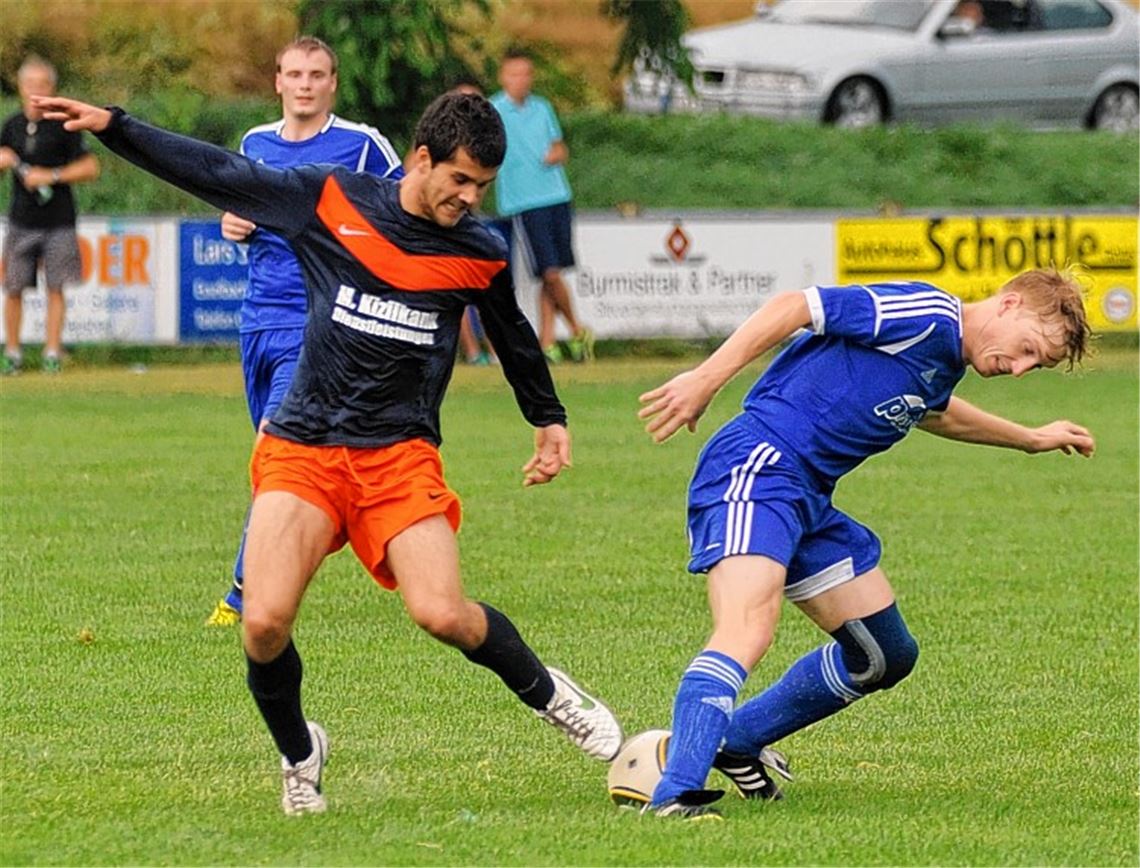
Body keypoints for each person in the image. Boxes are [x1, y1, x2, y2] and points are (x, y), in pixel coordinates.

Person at [38, 90, 623, 815]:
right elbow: (218, 172)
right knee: (262, 623)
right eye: (460, 180)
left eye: (482, 186)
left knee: (443, 613)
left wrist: (548, 417)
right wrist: (117, 127)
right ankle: (299, 753)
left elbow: (512, 333)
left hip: (398, 456)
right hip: (305, 445)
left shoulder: (479, 250)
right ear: (421, 159)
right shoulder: (332, 199)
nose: (471, 198)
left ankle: (553, 695)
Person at [637, 268, 1094, 819]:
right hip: (758, 468)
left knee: (883, 653)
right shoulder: (927, 314)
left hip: (808, 496)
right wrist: (707, 379)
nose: (1019, 369)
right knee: (747, 628)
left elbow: (936, 412)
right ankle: (676, 792)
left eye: (1035, 366)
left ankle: (736, 740)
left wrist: (1031, 439)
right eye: (1027, 349)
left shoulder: (945, 358)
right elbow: (795, 306)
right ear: (1009, 303)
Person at [205, 36, 404, 628]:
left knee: (274, 451)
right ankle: (336, 515)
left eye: (317, 75)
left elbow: (406, 209)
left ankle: (243, 594)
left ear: (333, 83)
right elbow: (238, 210)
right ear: (278, 82)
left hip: (319, 324)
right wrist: (231, 223)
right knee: (280, 460)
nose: (305, 85)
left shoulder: (362, 145)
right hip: (258, 320)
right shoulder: (255, 144)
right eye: (295, 74)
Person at [490, 47, 592, 364]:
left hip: (556, 195)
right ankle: (577, 330)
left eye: (526, 74)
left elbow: (559, 146)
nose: (521, 80)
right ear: (503, 77)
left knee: (554, 270)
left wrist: (558, 153)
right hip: (523, 201)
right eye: (515, 74)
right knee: (548, 272)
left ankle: (547, 341)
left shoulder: (542, 107)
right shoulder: (494, 111)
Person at [0, 56, 99, 374]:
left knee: (56, 288)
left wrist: (51, 175)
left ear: (52, 88)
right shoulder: (11, 126)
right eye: (30, 84)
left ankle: (52, 352)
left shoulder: (64, 125)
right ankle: (12, 353)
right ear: (20, 87)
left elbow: (90, 167)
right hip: (21, 221)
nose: (36, 91)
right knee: (13, 288)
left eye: (42, 84)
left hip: (59, 221)